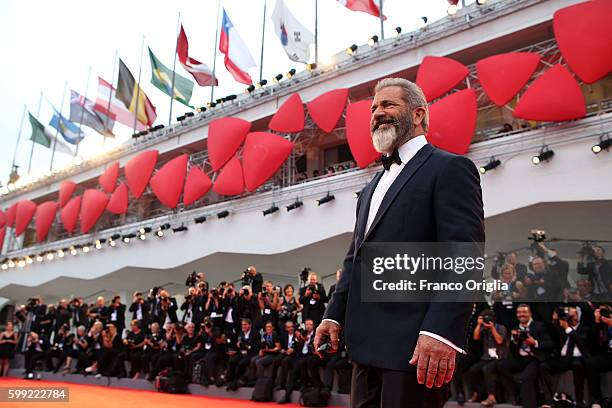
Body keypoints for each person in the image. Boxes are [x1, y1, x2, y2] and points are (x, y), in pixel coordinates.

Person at [314, 77, 485, 408]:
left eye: (388, 105)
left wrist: (441, 333)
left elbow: (464, 255)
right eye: (374, 107)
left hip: (415, 349)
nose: (377, 113)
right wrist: (333, 314)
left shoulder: (450, 168)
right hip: (364, 349)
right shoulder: (370, 187)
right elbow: (356, 260)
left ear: (419, 114)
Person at [497, 304, 554, 408]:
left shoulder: (539, 326)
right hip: (520, 358)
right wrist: (514, 341)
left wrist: (535, 342)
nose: (521, 314)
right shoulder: (515, 328)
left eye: (524, 312)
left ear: (530, 314)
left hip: (535, 358)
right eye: (519, 312)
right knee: (501, 365)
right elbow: (513, 350)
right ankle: (517, 394)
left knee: (526, 378)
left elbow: (550, 344)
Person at [540, 306, 590, 408]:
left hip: (577, 357)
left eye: (572, 315)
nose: (570, 318)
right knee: (543, 366)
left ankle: (579, 401)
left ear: (578, 316)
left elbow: (581, 342)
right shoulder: (562, 327)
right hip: (563, 358)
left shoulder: (584, 328)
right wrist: (555, 319)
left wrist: (568, 328)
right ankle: (549, 401)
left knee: (578, 366)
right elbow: (552, 331)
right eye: (568, 315)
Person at [466, 309, 509, 407]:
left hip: (500, 357)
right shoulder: (484, 328)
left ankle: (491, 397)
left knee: (487, 369)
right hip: (487, 358)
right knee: (473, 370)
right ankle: (476, 393)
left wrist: (492, 328)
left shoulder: (501, 327)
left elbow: (499, 341)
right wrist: (479, 324)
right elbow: (476, 337)